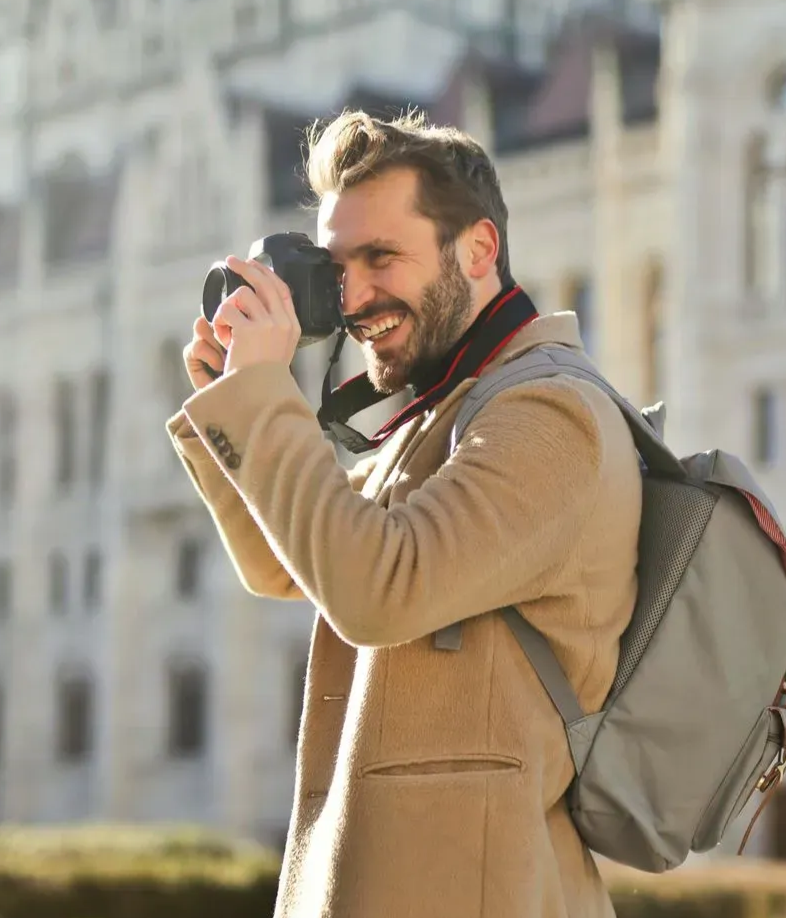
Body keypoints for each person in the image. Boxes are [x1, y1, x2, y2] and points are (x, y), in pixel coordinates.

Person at [166, 110, 642, 918]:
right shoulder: (441, 416)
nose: (352, 296)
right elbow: (291, 566)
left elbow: (377, 592)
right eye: (337, 265)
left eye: (381, 257)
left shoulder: (549, 414)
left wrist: (262, 398)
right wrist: (233, 398)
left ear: (479, 250)